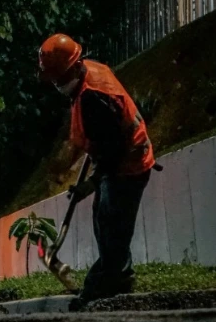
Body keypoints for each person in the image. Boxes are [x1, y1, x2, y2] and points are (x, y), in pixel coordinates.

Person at [39, 34, 156, 305]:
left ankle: (106, 286)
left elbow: (112, 150)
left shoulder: (93, 97)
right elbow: (99, 137)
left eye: (57, 78)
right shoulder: (87, 75)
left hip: (129, 165)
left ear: (70, 69)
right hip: (119, 158)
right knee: (105, 221)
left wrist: (90, 184)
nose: (55, 84)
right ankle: (117, 280)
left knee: (113, 226)